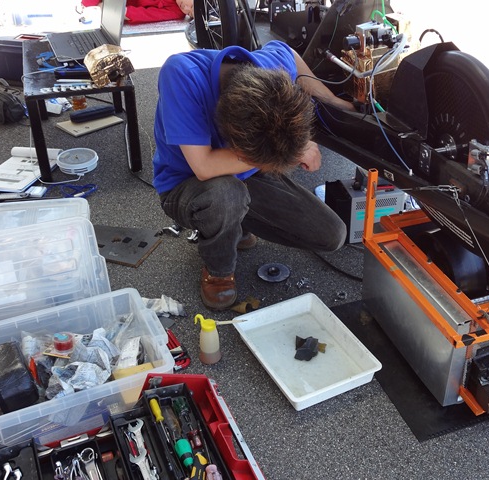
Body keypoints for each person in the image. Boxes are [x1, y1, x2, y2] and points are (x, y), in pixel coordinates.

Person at [152, 40, 355, 310]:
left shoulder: (271, 68)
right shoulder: (181, 74)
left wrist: (333, 103)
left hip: (244, 176)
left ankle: (236, 223)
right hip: (187, 183)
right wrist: (285, 155)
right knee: (227, 195)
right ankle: (219, 271)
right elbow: (204, 166)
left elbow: (291, 55)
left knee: (331, 234)